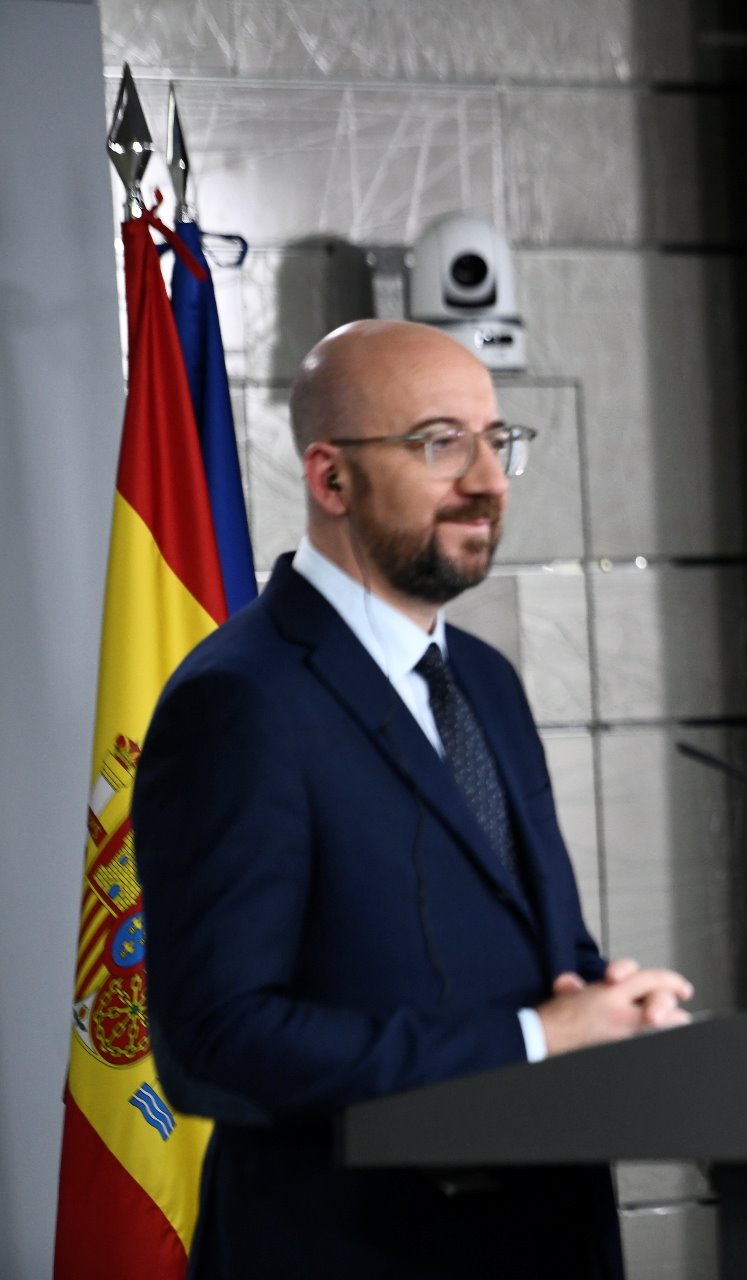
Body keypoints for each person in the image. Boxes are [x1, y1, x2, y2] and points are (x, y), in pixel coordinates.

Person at [136, 320, 693, 1278]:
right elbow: (216, 1042)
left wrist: (603, 1000)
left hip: (545, 1238)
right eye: (441, 444)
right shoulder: (240, 701)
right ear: (330, 479)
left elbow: (532, 943)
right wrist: (531, 1037)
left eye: (497, 440)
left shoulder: (485, 680)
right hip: (352, 1249)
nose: (488, 480)